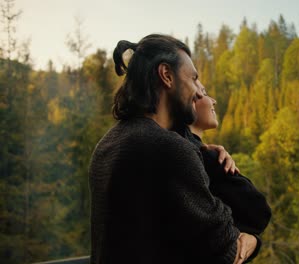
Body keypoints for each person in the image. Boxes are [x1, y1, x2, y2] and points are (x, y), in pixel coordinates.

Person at [89, 34, 257, 264]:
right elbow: (226, 250)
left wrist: (200, 151)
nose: (198, 92)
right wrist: (254, 241)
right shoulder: (168, 148)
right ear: (166, 75)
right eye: (193, 78)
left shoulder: (109, 143)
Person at [175, 86, 272, 263]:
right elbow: (260, 213)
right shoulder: (204, 159)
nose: (213, 100)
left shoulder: (201, 153)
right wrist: (249, 239)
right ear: (189, 104)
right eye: (203, 94)